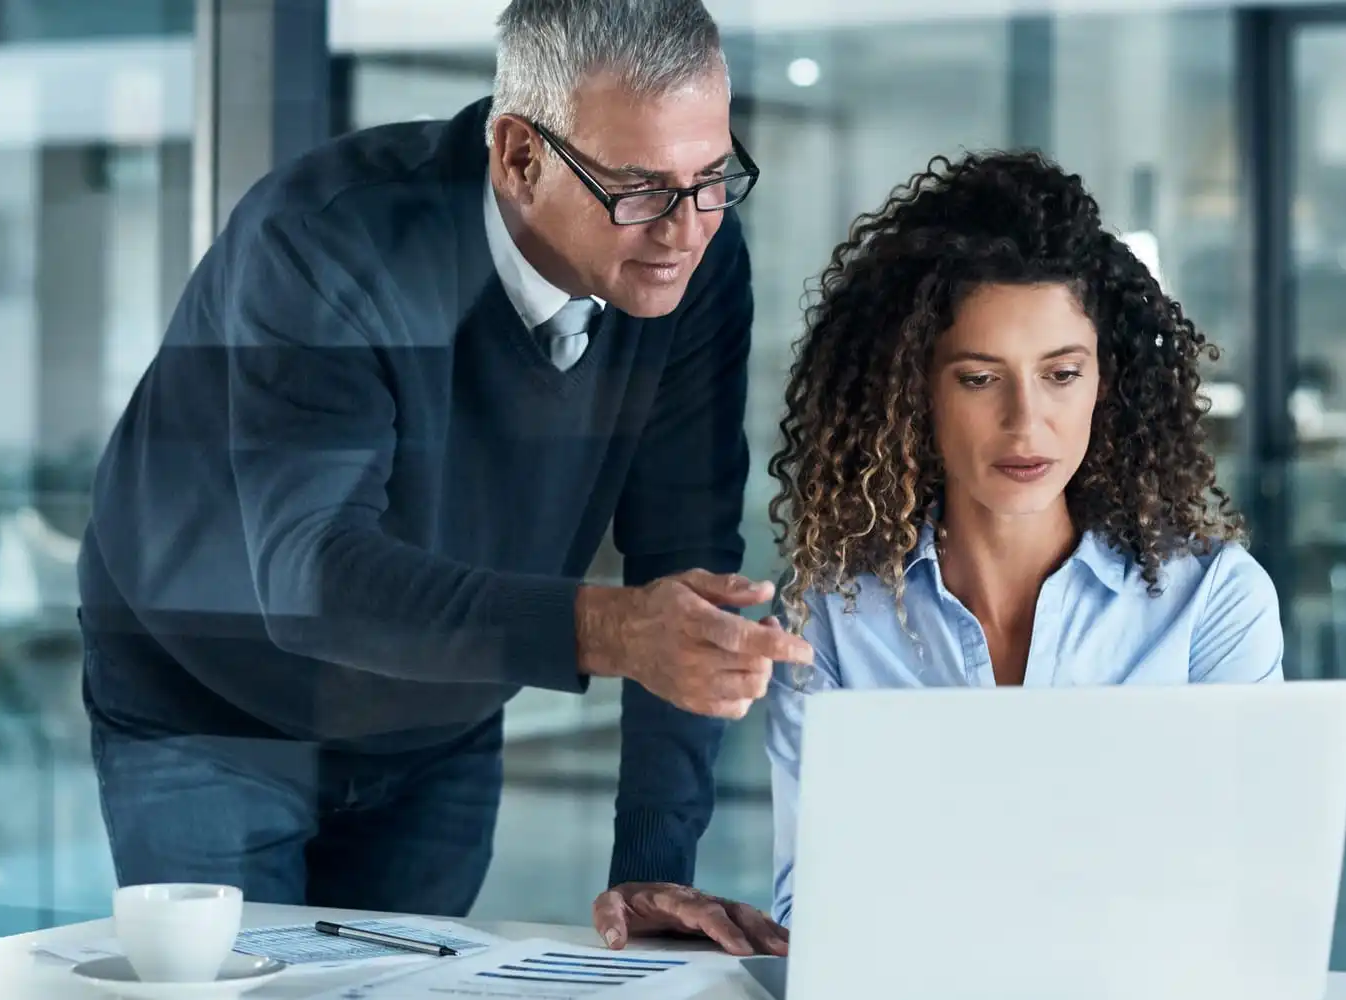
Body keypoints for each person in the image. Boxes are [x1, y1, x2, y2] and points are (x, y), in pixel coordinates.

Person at [76, 0, 806, 951]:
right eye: (639, 189)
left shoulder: (691, 265)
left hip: (440, 715)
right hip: (211, 705)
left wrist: (654, 863)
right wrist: (611, 629)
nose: (685, 229)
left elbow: (686, 561)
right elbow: (310, 576)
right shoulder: (331, 239)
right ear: (518, 155)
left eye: (711, 179)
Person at [591, 150, 1284, 946]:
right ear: (914, 390)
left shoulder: (1214, 603)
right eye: (980, 379)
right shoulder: (834, 615)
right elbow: (820, 906)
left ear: (1107, 380)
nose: (1028, 424)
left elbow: (1252, 900)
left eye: (1061, 374)